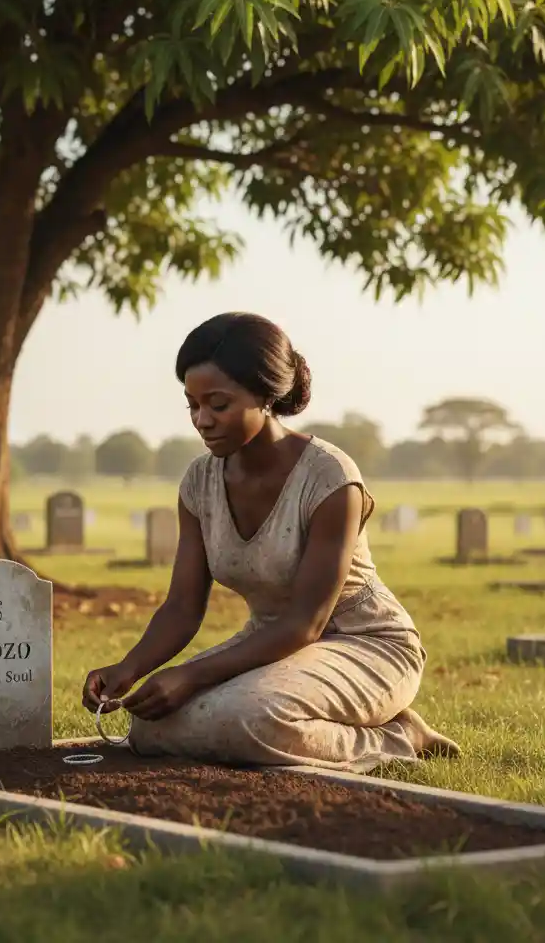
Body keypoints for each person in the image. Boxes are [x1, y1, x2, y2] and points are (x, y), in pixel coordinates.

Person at [82, 312, 459, 772]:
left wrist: (191, 675)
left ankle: (399, 737)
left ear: (265, 395)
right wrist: (128, 669)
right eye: (192, 405)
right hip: (269, 644)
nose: (202, 420)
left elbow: (305, 622)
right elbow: (183, 607)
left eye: (218, 404)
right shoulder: (200, 482)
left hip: (365, 644)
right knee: (149, 727)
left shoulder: (329, 477)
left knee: (249, 720)